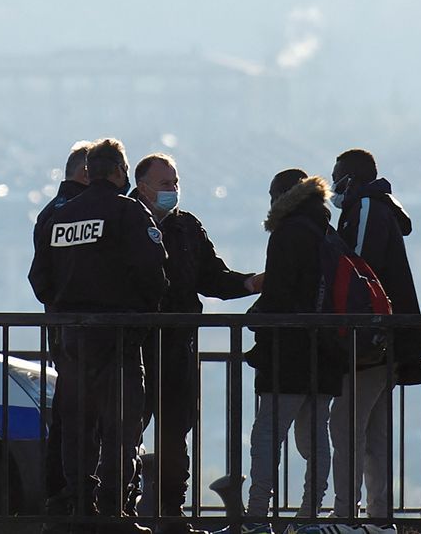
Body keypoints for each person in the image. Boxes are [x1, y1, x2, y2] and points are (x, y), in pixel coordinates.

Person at [29, 137, 168, 533]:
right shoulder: (129, 213)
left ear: (89, 172)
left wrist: (67, 306)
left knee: (77, 426)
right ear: (121, 171)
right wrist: (138, 311)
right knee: (121, 428)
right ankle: (114, 511)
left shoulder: (60, 217)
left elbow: (40, 278)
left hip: (72, 338)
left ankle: (80, 507)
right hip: (120, 336)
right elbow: (154, 274)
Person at [130, 152, 261, 533]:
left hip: (177, 346)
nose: (173, 190)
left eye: (176, 183)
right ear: (143, 187)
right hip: (134, 346)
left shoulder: (186, 226)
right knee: (125, 431)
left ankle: (171, 514)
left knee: (175, 434)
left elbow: (211, 276)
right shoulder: (126, 221)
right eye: (165, 184)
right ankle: (121, 509)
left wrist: (249, 283)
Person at [323, 149, 421, 531]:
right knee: (375, 431)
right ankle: (380, 519)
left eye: (337, 177)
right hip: (389, 339)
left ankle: (346, 515)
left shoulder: (364, 207)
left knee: (346, 425)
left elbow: (357, 273)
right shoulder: (380, 208)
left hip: (370, 340)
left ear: (350, 178)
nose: (333, 186)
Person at [243, 169, 348, 532]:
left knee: (268, 435)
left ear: (280, 197)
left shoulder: (288, 233)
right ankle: (310, 516)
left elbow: (279, 295)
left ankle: (257, 517)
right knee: (316, 436)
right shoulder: (329, 232)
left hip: (287, 353)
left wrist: (254, 319)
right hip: (326, 353)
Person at [30, 140, 94, 530]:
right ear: (87, 172)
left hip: (62, 328)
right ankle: (77, 496)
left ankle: (60, 494)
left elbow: (40, 279)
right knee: (85, 415)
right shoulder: (82, 213)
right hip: (86, 331)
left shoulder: (49, 214)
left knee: (68, 409)